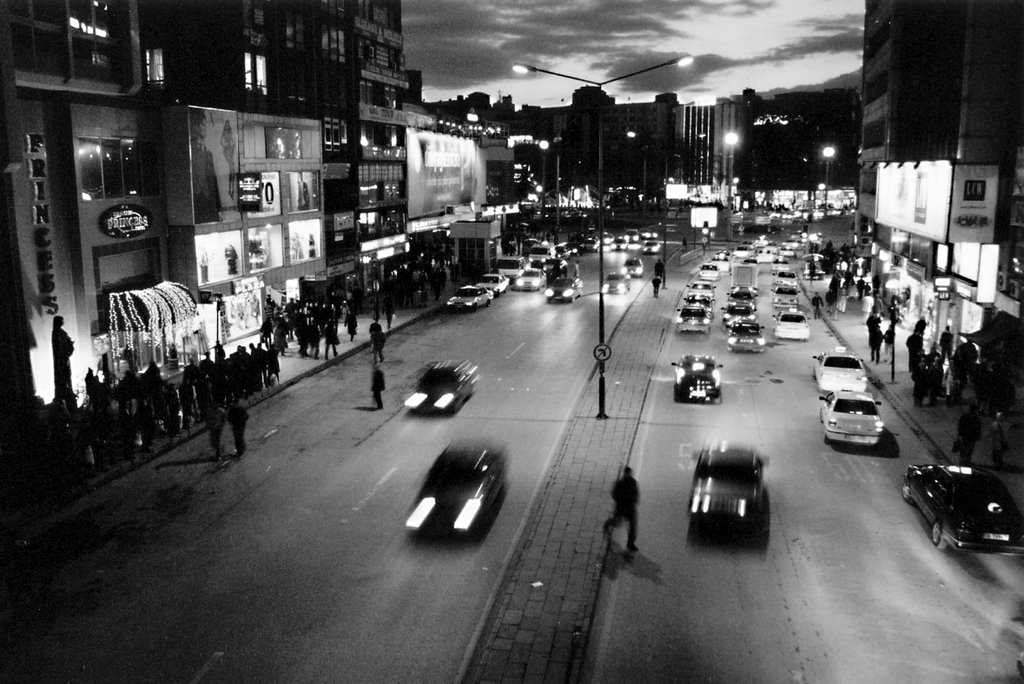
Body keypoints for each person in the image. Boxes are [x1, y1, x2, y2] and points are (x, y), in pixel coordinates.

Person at [603, 466, 639, 553]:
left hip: (629, 508)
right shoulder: (620, 483)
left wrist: (633, 501)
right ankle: (607, 524)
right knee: (617, 524)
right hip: (622, 508)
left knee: (632, 527)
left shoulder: (632, 482)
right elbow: (614, 494)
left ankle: (630, 544)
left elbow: (636, 493)